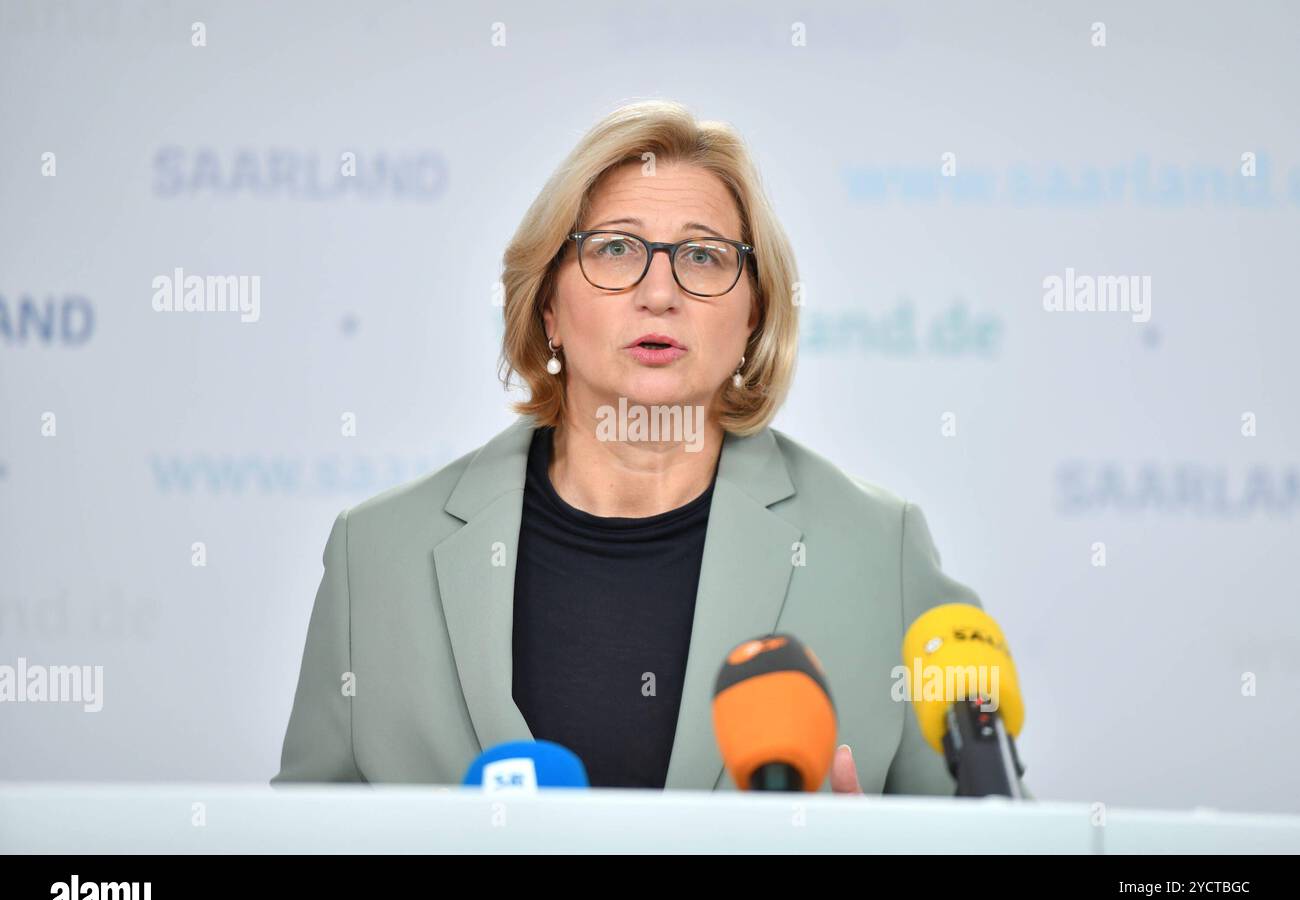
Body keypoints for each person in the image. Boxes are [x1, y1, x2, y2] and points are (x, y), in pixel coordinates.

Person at [272, 100, 1005, 795]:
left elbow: (1004, 833)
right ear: (549, 306)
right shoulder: (376, 555)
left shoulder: (878, 550)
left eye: (704, 256)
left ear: (754, 313)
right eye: (616, 248)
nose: (661, 291)